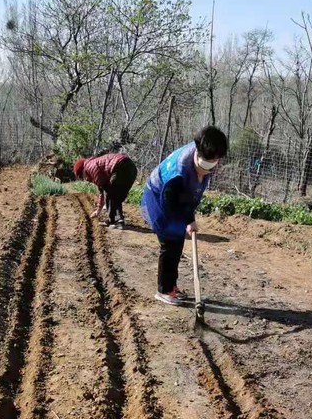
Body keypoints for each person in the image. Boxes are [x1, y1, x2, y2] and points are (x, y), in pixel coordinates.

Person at [141, 126, 228, 305]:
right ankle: (164, 290)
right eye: (209, 165)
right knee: (170, 245)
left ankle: (171, 285)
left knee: (176, 244)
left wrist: (188, 218)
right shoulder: (178, 172)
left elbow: (187, 195)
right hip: (160, 200)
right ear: (200, 155)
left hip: (176, 199)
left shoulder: (200, 150)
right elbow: (172, 199)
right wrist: (188, 220)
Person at [73, 152, 138, 229]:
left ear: (82, 171)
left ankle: (114, 221)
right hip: (131, 167)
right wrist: (98, 210)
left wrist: (99, 209)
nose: (85, 179)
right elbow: (102, 189)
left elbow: (104, 188)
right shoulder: (93, 163)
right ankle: (117, 220)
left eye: (82, 177)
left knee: (111, 194)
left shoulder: (90, 167)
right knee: (117, 195)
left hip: (120, 166)